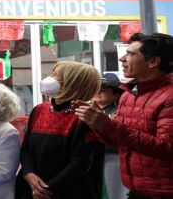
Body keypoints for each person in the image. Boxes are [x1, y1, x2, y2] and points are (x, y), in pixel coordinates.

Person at [75, 33, 173, 199]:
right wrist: (98, 124)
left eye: (131, 54)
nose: (122, 58)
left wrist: (109, 125)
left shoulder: (169, 96)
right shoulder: (129, 94)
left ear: (153, 62)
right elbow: (120, 142)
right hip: (136, 190)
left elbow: (167, 149)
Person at [16, 61, 103, 199]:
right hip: (30, 188)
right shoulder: (39, 110)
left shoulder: (85, 117)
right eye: (52, 74)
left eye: (56, 76)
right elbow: (25, 149)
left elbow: (80, 164)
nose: (50, 79)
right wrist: (29, 175)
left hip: (68, 191)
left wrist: (45, 189)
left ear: (74, 84)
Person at [92, 72, 127, 199]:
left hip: (112, 159)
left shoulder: (122, 113)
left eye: (104, 90)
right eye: (96, 89)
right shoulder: (86, 109)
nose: (98, 92)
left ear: (116, 94)